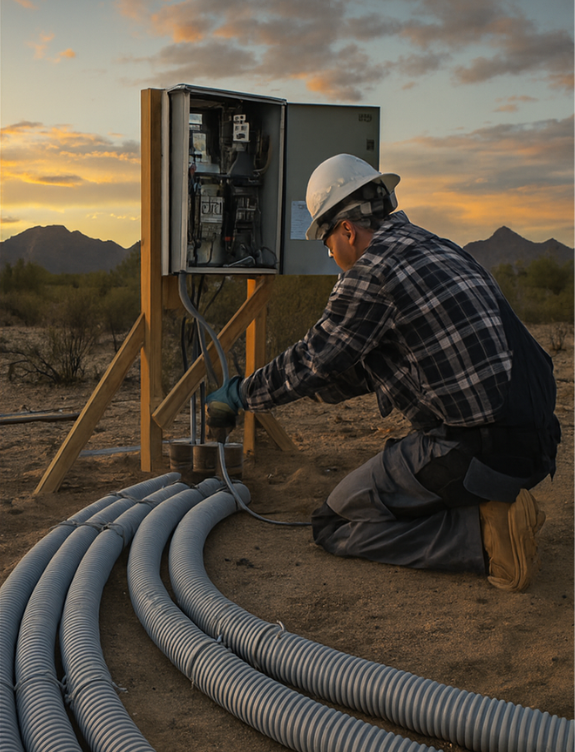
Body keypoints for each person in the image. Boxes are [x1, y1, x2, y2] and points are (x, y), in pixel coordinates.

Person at [207, 154, 560, 592]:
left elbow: (311, 359)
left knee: (333, 522)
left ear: (347, 231)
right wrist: (318, 387)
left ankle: (484, 539)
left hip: (477, 452)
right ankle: (497, 506)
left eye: (327, 241)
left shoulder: (372, 271)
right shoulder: (439, 247)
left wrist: (241, 394)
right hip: (536, 444)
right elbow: (372, 365)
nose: (331, 252)